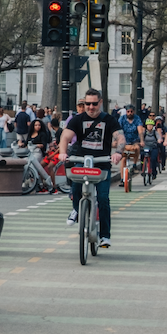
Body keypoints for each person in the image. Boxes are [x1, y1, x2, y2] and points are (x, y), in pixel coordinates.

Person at [58, 88, 124, 247]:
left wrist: (118, 153)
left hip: (102, 163)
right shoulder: (77, 119)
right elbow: (65, 137)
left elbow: (120, 137)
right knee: (75, 188)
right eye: (87, 104)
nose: (91, 107)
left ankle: (105, 236)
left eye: (94, 104)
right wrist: (62, 152)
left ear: (100, 103)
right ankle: (76, 209)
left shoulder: (109, 120)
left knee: (103, 198)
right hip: (81, 159)